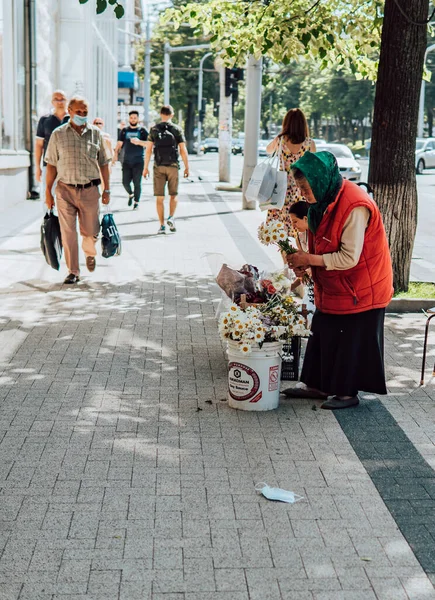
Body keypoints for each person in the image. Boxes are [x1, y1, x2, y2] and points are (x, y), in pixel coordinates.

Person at [284, 151, 393, 410]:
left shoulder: (355, 206)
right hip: (337, 283)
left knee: (350, 338)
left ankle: (347, 393)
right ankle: (318, 385)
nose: (304, 194)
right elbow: (320, 240)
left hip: (362, 285)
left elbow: (348, 258)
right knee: (323, 328)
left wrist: (309, 260)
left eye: (307, 188)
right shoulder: (322, 200)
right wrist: (305, 265)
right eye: (300, 188)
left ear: (322, 180)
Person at [44, 96, 111, 284]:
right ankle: (73, 271)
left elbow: (104, 163)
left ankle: (90, 253)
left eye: (85, 112)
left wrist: (107, 190)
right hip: (65, 190)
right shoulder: (58, 135)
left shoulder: (96, 134)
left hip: (90, 190)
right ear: (70, 111)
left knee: (91, 231)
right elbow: (51, 165)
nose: (82, 115)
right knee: (68, 233)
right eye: (78, 112)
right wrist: (48, 192)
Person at [266, 108, 316, 235]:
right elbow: (313, 168)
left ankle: (285, 254)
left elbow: (268, 150)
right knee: (300, 230)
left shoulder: (281, 140)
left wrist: (280, 135)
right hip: (301, 189)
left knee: (280, 232)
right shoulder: (309, 143)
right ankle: (299, 253)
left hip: (282, 189)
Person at [143, 105, 189, 235]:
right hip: (173, 166)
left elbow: (148, 150)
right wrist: (187, 167)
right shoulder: (177, 129)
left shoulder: (154, 129)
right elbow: (183, 150)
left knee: (159, 198)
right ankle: (171, 217)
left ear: (161, 114)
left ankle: (162, 226)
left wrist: (145, 168)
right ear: (172, 115)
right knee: (173, 195)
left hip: (158, 166)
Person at [35, 90, 69, 204]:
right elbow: (39, 145)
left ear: (66, 100)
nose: (60, 102)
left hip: (69, 164)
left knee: (68, 196)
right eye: (56, 99)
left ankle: (65, 221)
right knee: (48, 194)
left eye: (62, 99)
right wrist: (37, 167)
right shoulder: (45, 120)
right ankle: (48, 220)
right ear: (52, 102)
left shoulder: (72, 119)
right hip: (49, 164)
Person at [113, 110, 148, 210]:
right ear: (129, 118)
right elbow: (119, 144)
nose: (133, 119)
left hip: (138, 161)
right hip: (126, 161)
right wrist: (115, 156)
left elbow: (149, 144)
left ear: (138, 119)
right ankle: (130, 194)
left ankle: (136, 202)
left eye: (135, 118)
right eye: (131, 118)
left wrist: (139, 142)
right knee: (125, 182)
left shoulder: (142, 131)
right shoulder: (124, 131)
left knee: (137, 183)